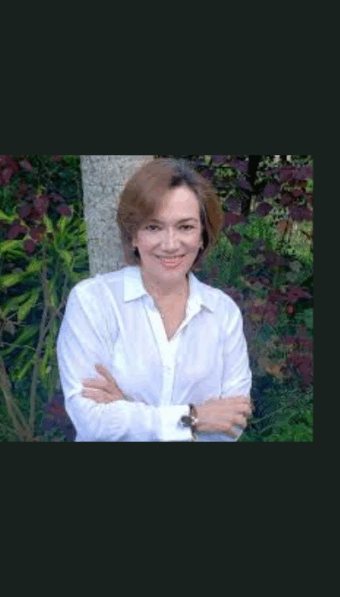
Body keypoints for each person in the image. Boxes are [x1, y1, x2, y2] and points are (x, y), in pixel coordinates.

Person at [55, 158, 253, 441]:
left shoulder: (223, 313)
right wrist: (195, 417)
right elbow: (92, 422)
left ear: (202, 236)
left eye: (185, 227)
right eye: (153, 227)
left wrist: (127, 409)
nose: (170, 244)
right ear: (133, 236)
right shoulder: (93, 301)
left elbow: (231, 424)